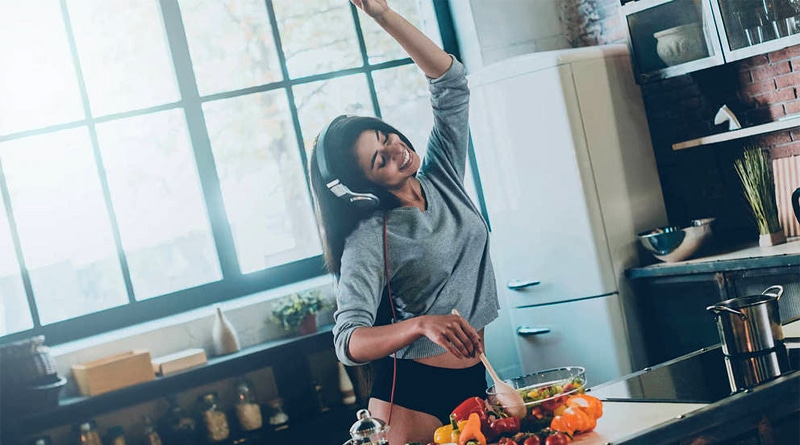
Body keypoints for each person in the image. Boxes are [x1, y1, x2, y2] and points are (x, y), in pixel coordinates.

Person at [308, 0, 499, 443]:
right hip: (411, 400)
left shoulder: (442, 177)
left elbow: (450, 82)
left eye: (386, 135)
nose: (396, 149)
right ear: (363, 189)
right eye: (381, 160)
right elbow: (348, 342)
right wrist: (420, 324)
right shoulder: (370, 238)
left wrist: (382, 16)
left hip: (476, 383)